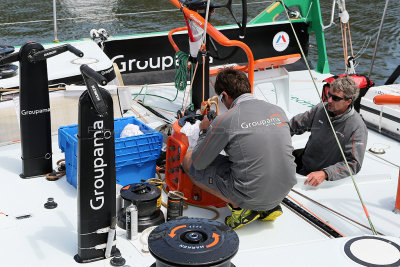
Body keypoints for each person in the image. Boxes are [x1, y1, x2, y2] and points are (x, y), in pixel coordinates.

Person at [182, 68, 297, 230]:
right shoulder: (277, 111)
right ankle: (268, 207)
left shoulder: (225, 120)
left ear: (225, 95)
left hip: (252, 195)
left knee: (188, 160)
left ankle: (241, 208)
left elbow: (199, 162)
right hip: (283, 190)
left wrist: (205, 130)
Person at [290, 76, 368, 187]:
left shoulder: (358, 127)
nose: (329, 100)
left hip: (324, 181)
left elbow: (354, 163)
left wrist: (325, 173)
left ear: (348, 101)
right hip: (304, 167)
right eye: (329, 95)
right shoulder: (320, 109)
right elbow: (294, 124)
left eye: (335, 98)